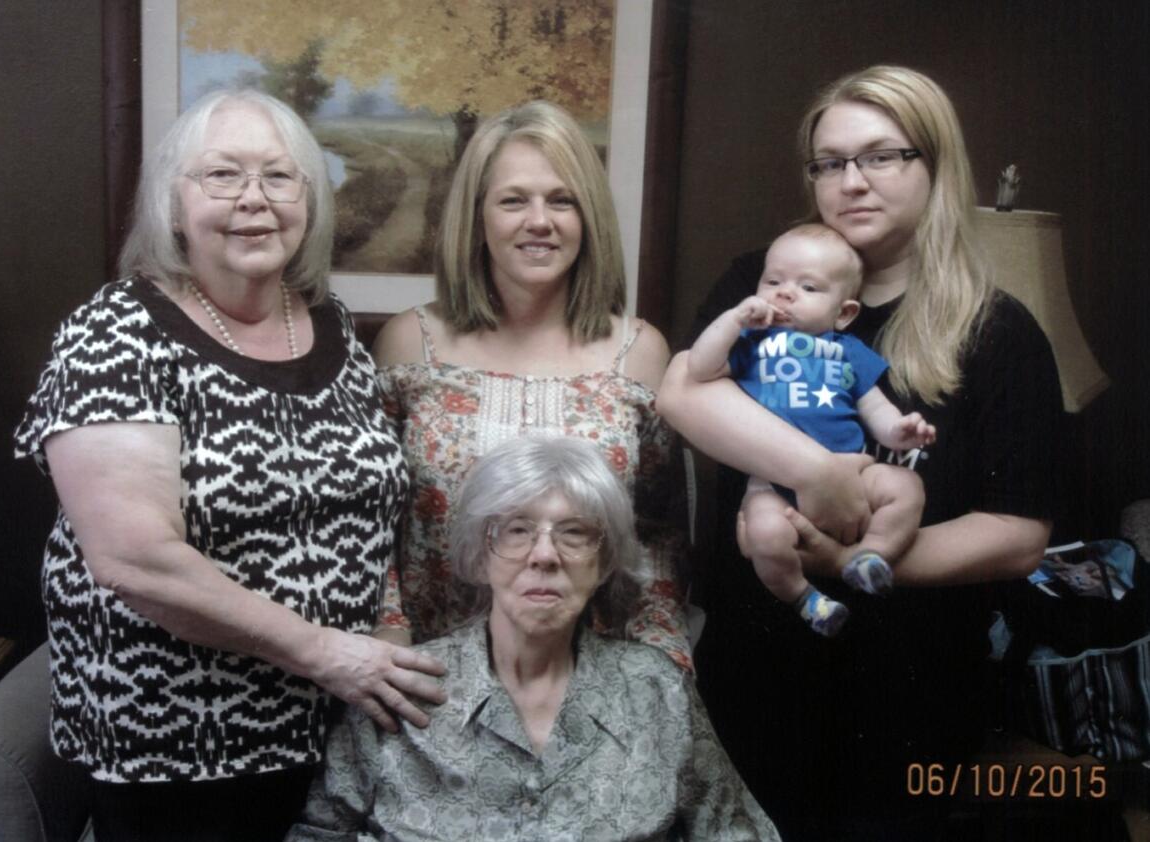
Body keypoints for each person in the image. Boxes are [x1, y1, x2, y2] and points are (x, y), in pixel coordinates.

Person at [12, 89, 446, 841]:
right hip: (180, 747)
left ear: (309, 202)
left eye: (279, 178)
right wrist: (328, 655)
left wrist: (379, 644)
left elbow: (366, 509)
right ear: (173, 207)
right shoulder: (115, 333)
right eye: (222, 176)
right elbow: (135, 561)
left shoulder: (327, 322)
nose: (255, 200)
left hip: (337, 729)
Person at [657, 66, 1062, 839]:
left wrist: (845, 561)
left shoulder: (998, 331)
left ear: (934, 164)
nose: (853, 181)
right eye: (831, 162)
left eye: (882, 156)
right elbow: (684, 394)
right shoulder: (766, 281)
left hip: (912, 689)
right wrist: (819, 475)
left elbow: (1018, 534)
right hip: (757, 669)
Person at [287, 436, 780, 841]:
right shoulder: (401, 686)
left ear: (604, 562)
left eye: (574, 533)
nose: (544, 555)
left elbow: (735, 832)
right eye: (516, 531)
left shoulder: (656, 688)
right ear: (480, 557)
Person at [372, 100, 692, 671]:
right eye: (514, 199)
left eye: (562, 200)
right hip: (428, 678)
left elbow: (657, 534)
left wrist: (662, 664)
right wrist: (389, 639)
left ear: (587, 216)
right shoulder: (408, 345)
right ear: (477, 217)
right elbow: (374, 522)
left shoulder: (638, 353)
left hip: (595, 684)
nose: (539, 221)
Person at [687, 223, 935, 637]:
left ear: (844, 313)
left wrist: (900, 431)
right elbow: (698, 367)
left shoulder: (849, 352)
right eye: (773, 281)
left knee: (907, 487)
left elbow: (875, 409)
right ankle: (806, 599)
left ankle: (870, 556)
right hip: (772, 483)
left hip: (853, 473)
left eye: (809, 287)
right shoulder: (752, 345)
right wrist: (734, 321)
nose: (785, 292)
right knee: (763, 534)